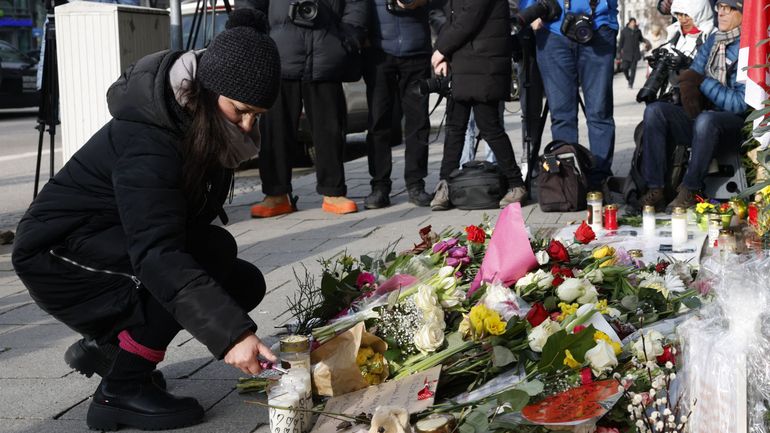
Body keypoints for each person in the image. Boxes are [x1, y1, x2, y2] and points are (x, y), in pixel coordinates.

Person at [12, 10, 280, 431]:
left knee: (238, 277)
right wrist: (231, 337)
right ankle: (120, 392)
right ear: (208, 91)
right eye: (241, 110)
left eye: (257, 116)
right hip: (58, 256)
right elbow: (157, 255)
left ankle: (113, 350)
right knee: (199, 261)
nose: (248, 126)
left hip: (105, 242)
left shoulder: (202, 124)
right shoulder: (152, 140)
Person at [250, 0, 368, 217]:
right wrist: (258, 36)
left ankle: (333, 192)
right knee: (275, 129)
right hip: (280, 55)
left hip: (326, 52)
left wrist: (349, 36)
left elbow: (356, 4)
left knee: (330, 128)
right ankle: (276, 194)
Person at [639, 0, 746, 210]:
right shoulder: (714, 40)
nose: (721, 13)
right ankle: (657, 188)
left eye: (729, 9)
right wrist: (686, 84)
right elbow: (691, 76)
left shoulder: (748, 46)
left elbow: (739, 104)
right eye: (720, 8)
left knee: (706, 120)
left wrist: (702, 82)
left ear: (743, 13)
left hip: (736, 124)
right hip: (706, 119)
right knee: (656, 112)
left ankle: (690, 189)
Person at [429, 0, 527, 210]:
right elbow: (453, 17)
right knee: (455, 128)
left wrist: (441, 49)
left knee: (490, 127)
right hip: (464, 61)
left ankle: (516, 184)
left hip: (483, 62)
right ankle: (445, 184)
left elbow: (468, 19)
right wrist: (444, 53)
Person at [520, 0, 619, 190]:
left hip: (598, 26)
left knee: (600, 111)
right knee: (561, 114)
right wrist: (530, 10)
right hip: (552, 29)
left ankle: (599, 180)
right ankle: (569, 180)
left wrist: (609, 18)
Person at [362, 0, 442, 209]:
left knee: (418, 122)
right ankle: (379, 186)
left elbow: (440, 6)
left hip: (416, 50)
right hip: (378, 52)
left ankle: (416, 184)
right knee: (379, 121)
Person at [618, 18, 650, 88]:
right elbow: (621, 43)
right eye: (632, 22)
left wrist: (646, 42)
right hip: (626, 54)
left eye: (634, 22)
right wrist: (618, 52)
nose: (633, 24)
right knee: (624, 68)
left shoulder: (638, 31)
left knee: (633, 70)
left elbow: (641, 39)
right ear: (629, 23)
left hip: (635, 54)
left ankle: (631, 84)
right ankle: (628, 78)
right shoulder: (624, 31)